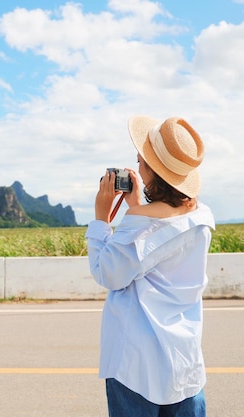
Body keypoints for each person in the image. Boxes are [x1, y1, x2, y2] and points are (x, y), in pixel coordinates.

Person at [85, 116, 215, 417]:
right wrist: (137, 205)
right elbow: (159, 248)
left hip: (135, 363)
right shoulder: (202, 218)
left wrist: (101, 219)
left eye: (142, 162)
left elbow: (107, 272)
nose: (138, 168)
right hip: (184, 359)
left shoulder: (140, 225)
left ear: (154, 173)